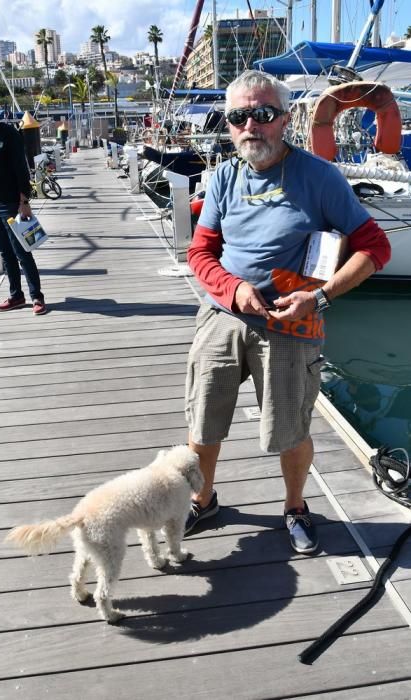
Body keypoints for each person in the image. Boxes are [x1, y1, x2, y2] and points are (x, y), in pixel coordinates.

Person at [184, 70, 391, 553]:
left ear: (284, 118)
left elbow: (373, 246)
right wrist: (232, 289)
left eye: (263, 114)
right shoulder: (223, 177)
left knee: (291, 427)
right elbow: (201, 252)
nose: (250, 126)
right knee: (202, 420)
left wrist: (318, 297)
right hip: (224, 314)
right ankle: (204, 497)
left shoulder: (319, 177)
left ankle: (296, 506)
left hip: (290, 319)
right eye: (239, 117)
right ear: (229, 124)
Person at [0, 92, 46, 315]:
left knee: (22, 252)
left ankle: (37, 297)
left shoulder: (9, 134)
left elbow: (21, 169)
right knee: (5, 254)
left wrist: (24, 200)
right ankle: (16, 295)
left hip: (11, 203)